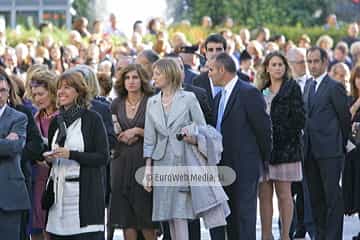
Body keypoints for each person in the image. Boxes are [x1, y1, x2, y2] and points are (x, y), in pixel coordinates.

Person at [143, 58, 228, 240]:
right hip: (162, 163)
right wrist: (147, 171)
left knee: (181, 214)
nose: (154, 77)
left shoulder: (188, 98)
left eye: (158, 73)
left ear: (169, 74)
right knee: (169, 216)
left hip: (184, 162)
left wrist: (193, 137)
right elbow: (149, 140)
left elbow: (203, 129)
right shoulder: (152, 102)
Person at [209, 53, 272, 240]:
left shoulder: (248, 92)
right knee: (231, 219)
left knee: (245, 219)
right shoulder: (219, 97)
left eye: (211, 70)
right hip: (223, 167)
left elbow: (263, 130)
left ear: (222, 70)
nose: (209, 74)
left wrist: (261, 160)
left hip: (245, 167)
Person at [44, 71, 109, 240]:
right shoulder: (55, 122)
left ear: (79, 92)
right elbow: (54, 158)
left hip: (84, 198)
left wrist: (71, 154)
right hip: (58, 200)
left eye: (67, 87)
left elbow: (103, 157)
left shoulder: (93, 119)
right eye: (59, 88)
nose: (61, 92)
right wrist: (50, 159)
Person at [257, 51, 305, 240]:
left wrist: (279, 132)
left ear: (285, 68)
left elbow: (300, 119)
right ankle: (266, 236)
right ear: (267, 68)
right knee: (264, 195)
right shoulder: (261, 90)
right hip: (264, 151)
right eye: (274, 64)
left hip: (286, 150)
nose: (277, 68)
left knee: (284, 195)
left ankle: (285, 235)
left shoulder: (292, 88)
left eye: (280, 64)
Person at [304, 46, 351, 240]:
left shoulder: (334, 86)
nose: (313, 65)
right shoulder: (307, 85)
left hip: (330, 151)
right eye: (310, 62)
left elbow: (344, 119)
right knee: (315, 198)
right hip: (309, 151)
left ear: (324, 62)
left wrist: (340, 145)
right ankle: (320, 235)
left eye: (316, 61)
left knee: (332, 197)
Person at [109, 64, 157, 240]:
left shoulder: (152, 101)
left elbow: (159, 133)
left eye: (135, 77)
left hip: (144, 161)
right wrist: (120, 136)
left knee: (145, 218)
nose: (131, 81)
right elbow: (112, 131)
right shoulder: (116, 103)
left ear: (142, 80)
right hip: (120, 161)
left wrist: (137, 131)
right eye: (127, 78)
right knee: (125, 217)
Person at [27, 69, 58, 240]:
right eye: (34, 95)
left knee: (51, 229)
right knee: (37, 228)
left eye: (41, 94)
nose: (37, 99)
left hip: (57, 178)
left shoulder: (62, 116)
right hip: (38, 178)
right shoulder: (35, 116)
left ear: (52, 92)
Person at [0, 72, 31, 240]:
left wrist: (9, 144)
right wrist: (4, 140)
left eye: (2, 90)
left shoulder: (19, 117)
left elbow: (14, 147)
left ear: (9, 91)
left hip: (9, 196)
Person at [343, 64, 360, 240]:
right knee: (357, 193)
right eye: (358, 78)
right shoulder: (350, 100)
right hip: (354, 153)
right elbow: (345, 119)